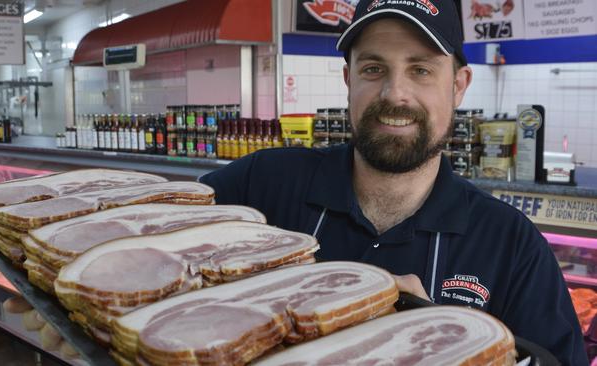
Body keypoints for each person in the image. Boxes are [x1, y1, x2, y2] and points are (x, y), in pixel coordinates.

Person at [200, 0, 588, 364]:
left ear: (458, 86)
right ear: (349, 80)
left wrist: (447, 341)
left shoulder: (510, 244)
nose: (394, 94)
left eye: (420, 70)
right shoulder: (262, 184)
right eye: (373, 69)